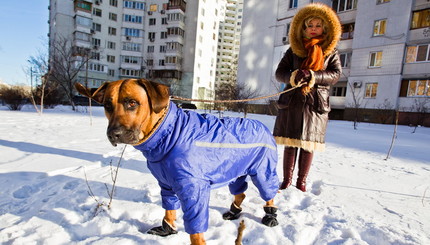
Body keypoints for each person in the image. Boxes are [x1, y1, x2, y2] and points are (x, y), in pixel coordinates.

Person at [273, 3, 342, 192]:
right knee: (290, 142)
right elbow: (280, 73)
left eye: (317, 25)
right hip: (292, 101)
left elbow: (335, 75)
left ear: (325, 28)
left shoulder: (331, 51)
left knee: (308, 145)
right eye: (309, 25)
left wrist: (314, 76)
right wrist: (293, 76)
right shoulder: (293, 50)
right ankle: (287, 180)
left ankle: (301, 181)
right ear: (303, 28)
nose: (313, 29)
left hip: (315, 104)